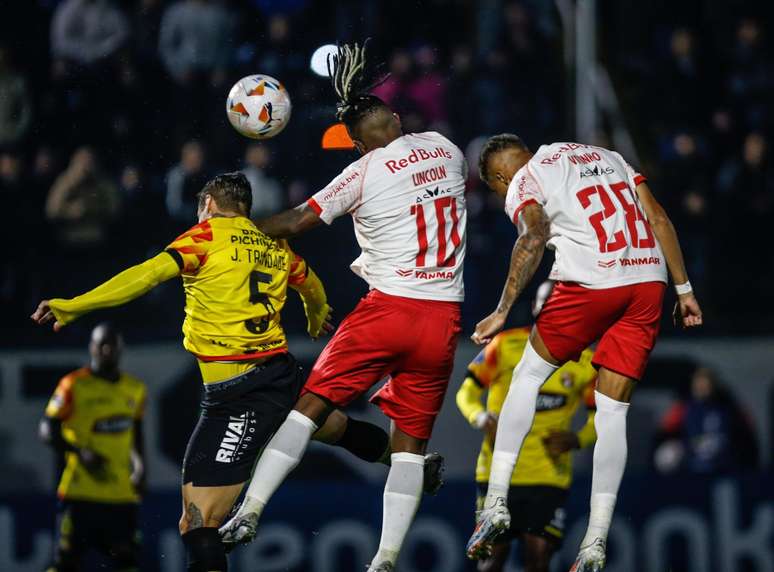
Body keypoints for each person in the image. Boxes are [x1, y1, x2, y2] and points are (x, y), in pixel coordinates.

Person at [31, 172, 419, 572]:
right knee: (335, 427)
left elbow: (144, 276)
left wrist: (74, 305)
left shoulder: (204, 238)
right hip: (278, 373)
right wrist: (315, 311)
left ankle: (409, 464)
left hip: (239, 394)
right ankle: (413, 463)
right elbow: (310, 281)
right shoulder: (274, 242)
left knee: (199, 522)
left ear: (209, 205)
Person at [219, 41, 468, 572]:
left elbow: (294, 222)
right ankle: (385, 560)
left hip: (389, 309)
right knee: (409, 451)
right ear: (397, 118)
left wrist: (231, 229)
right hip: (443, 318)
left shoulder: (364, 171)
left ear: (356, 144)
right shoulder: (448, 151)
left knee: (308, 408)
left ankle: (250, 511)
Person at [465, 135, 703, 571]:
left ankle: (495, 503)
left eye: (500, 191)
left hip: (592, 282)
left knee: (527, 377)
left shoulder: (524, 179)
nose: (505, 197)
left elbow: (533, 237)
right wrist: (684, 289)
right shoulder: (607, 155)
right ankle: (595, 540)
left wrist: (502, 310)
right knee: (613, 413)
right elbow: (658, 217)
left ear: (501, 176)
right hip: (648, 280)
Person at [456, 282, 597, 572]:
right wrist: (481, 418)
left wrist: (578, 439)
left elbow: (604, 415)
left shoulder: (584, 361)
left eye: (557, 302)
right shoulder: (504, 345)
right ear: (535, 306)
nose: (550, 308)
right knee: (492, 559)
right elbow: (466, 392)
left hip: (548, 475)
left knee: (538, 556)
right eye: (545, 302)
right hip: (497, 471)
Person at [40, 323, 146, 572]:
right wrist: (79, 452)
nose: (107, 350)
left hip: (122, 494)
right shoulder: (73, 385)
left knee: (127, 562)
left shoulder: (135, 389)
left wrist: (141, 468)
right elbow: (47, 429)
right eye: (102, 344)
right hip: (81, 493)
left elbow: (137, 436)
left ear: (121, 348)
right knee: (66, 562)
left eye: (112, 344)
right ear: (92, 347)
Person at [653, 366, 759, 474]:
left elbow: (748, 432)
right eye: (699, 384)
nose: (702, 387)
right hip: (692, 466)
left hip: (725, 466)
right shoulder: (684, 408)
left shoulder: (729, 408)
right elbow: (663, 431)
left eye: (706, 383)